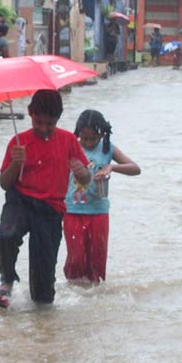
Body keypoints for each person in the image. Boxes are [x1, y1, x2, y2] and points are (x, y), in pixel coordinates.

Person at [0, 90, 91, 308]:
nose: (44, 129)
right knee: (5, 235)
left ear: (58, 119)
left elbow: (85, 179)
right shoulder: (19, 142)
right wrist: (16, 164)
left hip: (51, 210)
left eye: (50, 124)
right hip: (20, 201)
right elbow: (4, 183)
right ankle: (7, 281)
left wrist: (83, 173)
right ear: (29, 113)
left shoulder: (68, 141)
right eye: (39, 122)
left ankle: (42, 333)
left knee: (43, 295)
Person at [63, 110, 140, 283]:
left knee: (97, 261)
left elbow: (135, 168)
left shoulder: (107, 148)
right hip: (72, 210)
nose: (89, 142)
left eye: (93, 138)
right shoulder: (70, 146)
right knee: (76, 259)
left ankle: (93, 298)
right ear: (78, 134)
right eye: (84, 138)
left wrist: (111, 167)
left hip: (98, 212)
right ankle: (73, 292)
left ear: (102, 134)